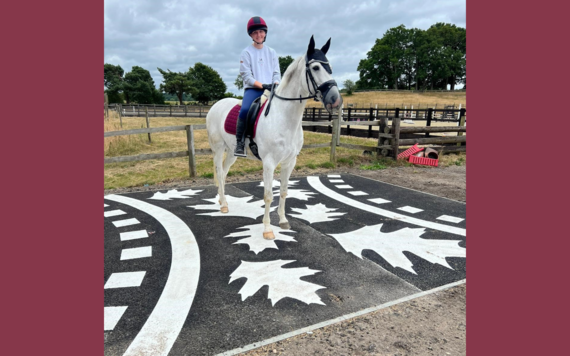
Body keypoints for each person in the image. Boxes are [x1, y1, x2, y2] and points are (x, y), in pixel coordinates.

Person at [235, 16, 281, 157]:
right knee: (244, 110)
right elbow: (247, 76)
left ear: (265, 33)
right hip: (254, 89)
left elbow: (276, 73)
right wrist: (262, 85)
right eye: (255, 33)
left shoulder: (272, 52)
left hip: (271, 89)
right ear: (251, 35)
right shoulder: (246, 52)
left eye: (261, 32)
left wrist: (275, 84)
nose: (259, 35)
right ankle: (240, 143)